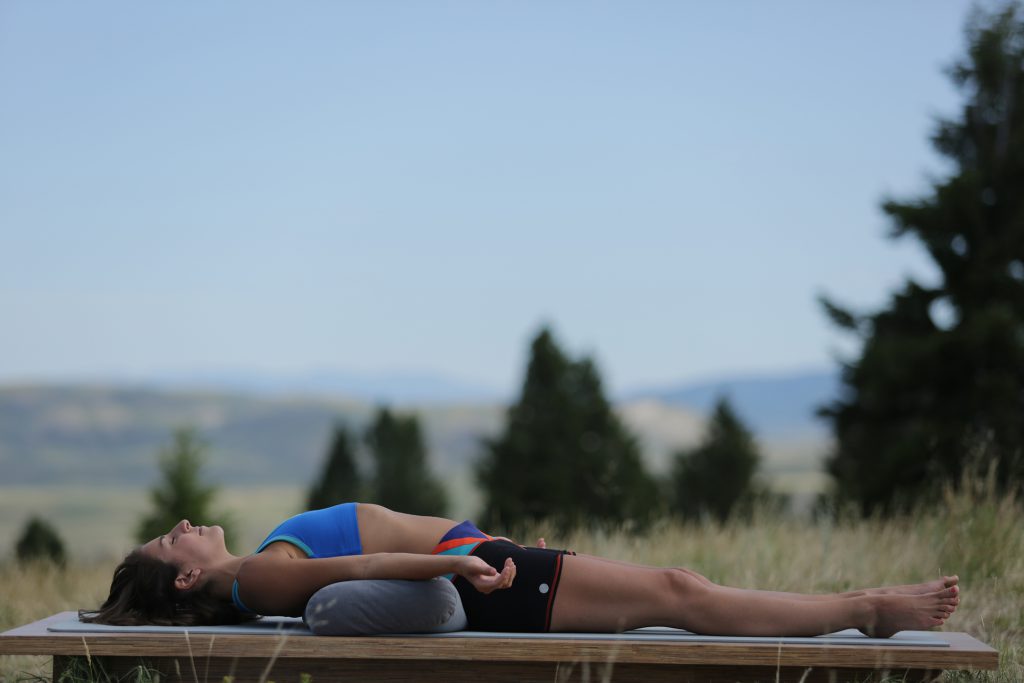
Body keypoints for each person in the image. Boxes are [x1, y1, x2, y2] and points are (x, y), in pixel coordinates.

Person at [82, 503, 959, 637]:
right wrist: (459, 559)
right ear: (189, 581)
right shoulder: (258, 578)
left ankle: (861, 601)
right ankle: (868, 607)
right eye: (172, 542)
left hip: (480, 564)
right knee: (681, 594)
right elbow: (361, 561)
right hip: (484, 575)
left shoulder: (258, 558)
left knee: (678, 584)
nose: (186, 526)